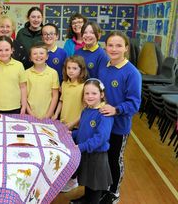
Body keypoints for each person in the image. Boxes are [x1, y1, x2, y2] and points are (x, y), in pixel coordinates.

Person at [98, 31, 141, 204]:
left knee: (114, 159)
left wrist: (116, 109)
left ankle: (114, 193)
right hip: (102, 124)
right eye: (110, 45)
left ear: (126, 48)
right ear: (105, 47)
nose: (114, 49)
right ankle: (103, 188)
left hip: (118, 125)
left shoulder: (132, 73)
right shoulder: (104, 66)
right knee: (103, 158)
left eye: (118, 45)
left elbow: (134, 104)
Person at [70, 78, 114, 204]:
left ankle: (92, 201)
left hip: (97, 156)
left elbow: (100, 138)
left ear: (102, 94)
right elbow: (83, 130)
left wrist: (80, 147)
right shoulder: (86, 110)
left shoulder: (104, 114)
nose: (90, 96)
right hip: (87, 152)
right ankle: (86, 199)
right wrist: (71, 134)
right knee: (89, 181)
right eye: (87, 93)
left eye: (94, 93)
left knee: (95, 184)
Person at [53, 55, 88, 193]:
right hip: (64, 124)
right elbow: (61, 101)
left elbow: (86, 110)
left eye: (75, 68)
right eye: (69, 68)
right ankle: (67, 177)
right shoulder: (65, 83)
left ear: (81, 70)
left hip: (77, 127)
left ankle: (73, 179)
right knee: (65, 152)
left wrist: (73, 123)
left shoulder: (84, 86)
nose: (71, 71)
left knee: (75, 154)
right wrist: (56, 115)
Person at [0, 35, 27, 114]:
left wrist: (24, 106)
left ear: (12, 50)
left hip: (15, 108)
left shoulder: (19, 65)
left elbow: (23, 87)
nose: (3, 53)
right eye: (0, 50)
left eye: (7, 50)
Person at [26, 42, 59, 119]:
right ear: (30, 58)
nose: (38, 56)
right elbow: (24, 97)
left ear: (47, 56)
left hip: (48, 115)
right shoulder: (26, 73)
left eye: (41, 53)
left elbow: (55, 96)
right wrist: (30, 113)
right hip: (30, 115)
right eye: (34, 54)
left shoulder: (53, 73)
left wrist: (48, 115)